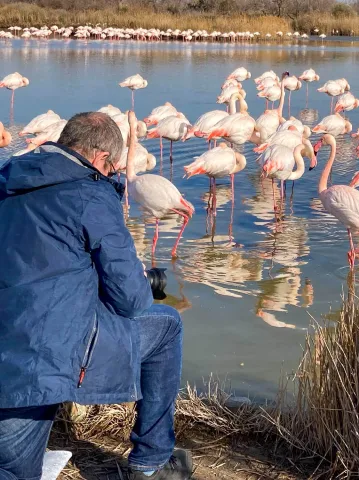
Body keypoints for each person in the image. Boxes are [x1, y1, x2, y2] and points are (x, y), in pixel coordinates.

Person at [0, 112, 192, 480]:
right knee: (166, 325)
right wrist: (137, 279)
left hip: (8, 341)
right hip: (41, 354)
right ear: (102, 159)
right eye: (115, 169)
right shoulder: (90, 194)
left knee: (12, 467)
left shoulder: (9, 176)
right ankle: (151, 464)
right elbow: (132, 301)